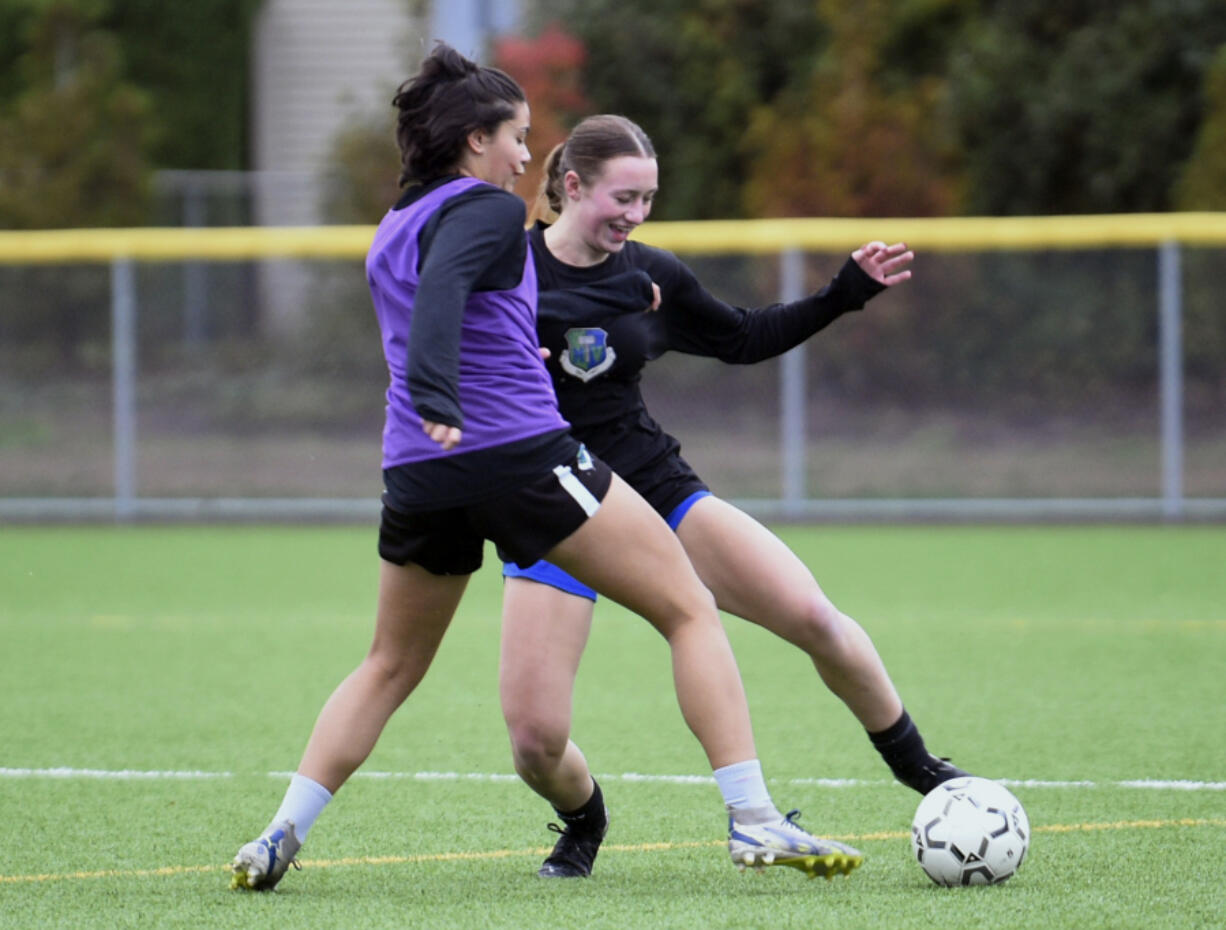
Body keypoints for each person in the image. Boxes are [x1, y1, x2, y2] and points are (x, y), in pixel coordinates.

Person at [230, 47, 861, 892]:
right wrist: (438, 389)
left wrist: (463, 378)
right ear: (475, 139)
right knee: (687, 608)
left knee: (389, 663)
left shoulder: (394, 224)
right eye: (519, 138)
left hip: (418, 473)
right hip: (515, 456)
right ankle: (753, 817)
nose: (529, 157)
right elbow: (451, 295)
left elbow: (458, 304)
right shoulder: (489, 212)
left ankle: (280, 834)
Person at [499, 114, 971, 879]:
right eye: (624, 197)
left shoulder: (650, 275)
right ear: (573, 186)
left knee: (814, 615)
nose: (636, 215)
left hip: (652, 488)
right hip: (549, 506)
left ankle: (923, 770)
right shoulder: (507, 270)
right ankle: (585, 821)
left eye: (649, 199)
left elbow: (745, 338)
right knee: (534, 742)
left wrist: (844, 293)